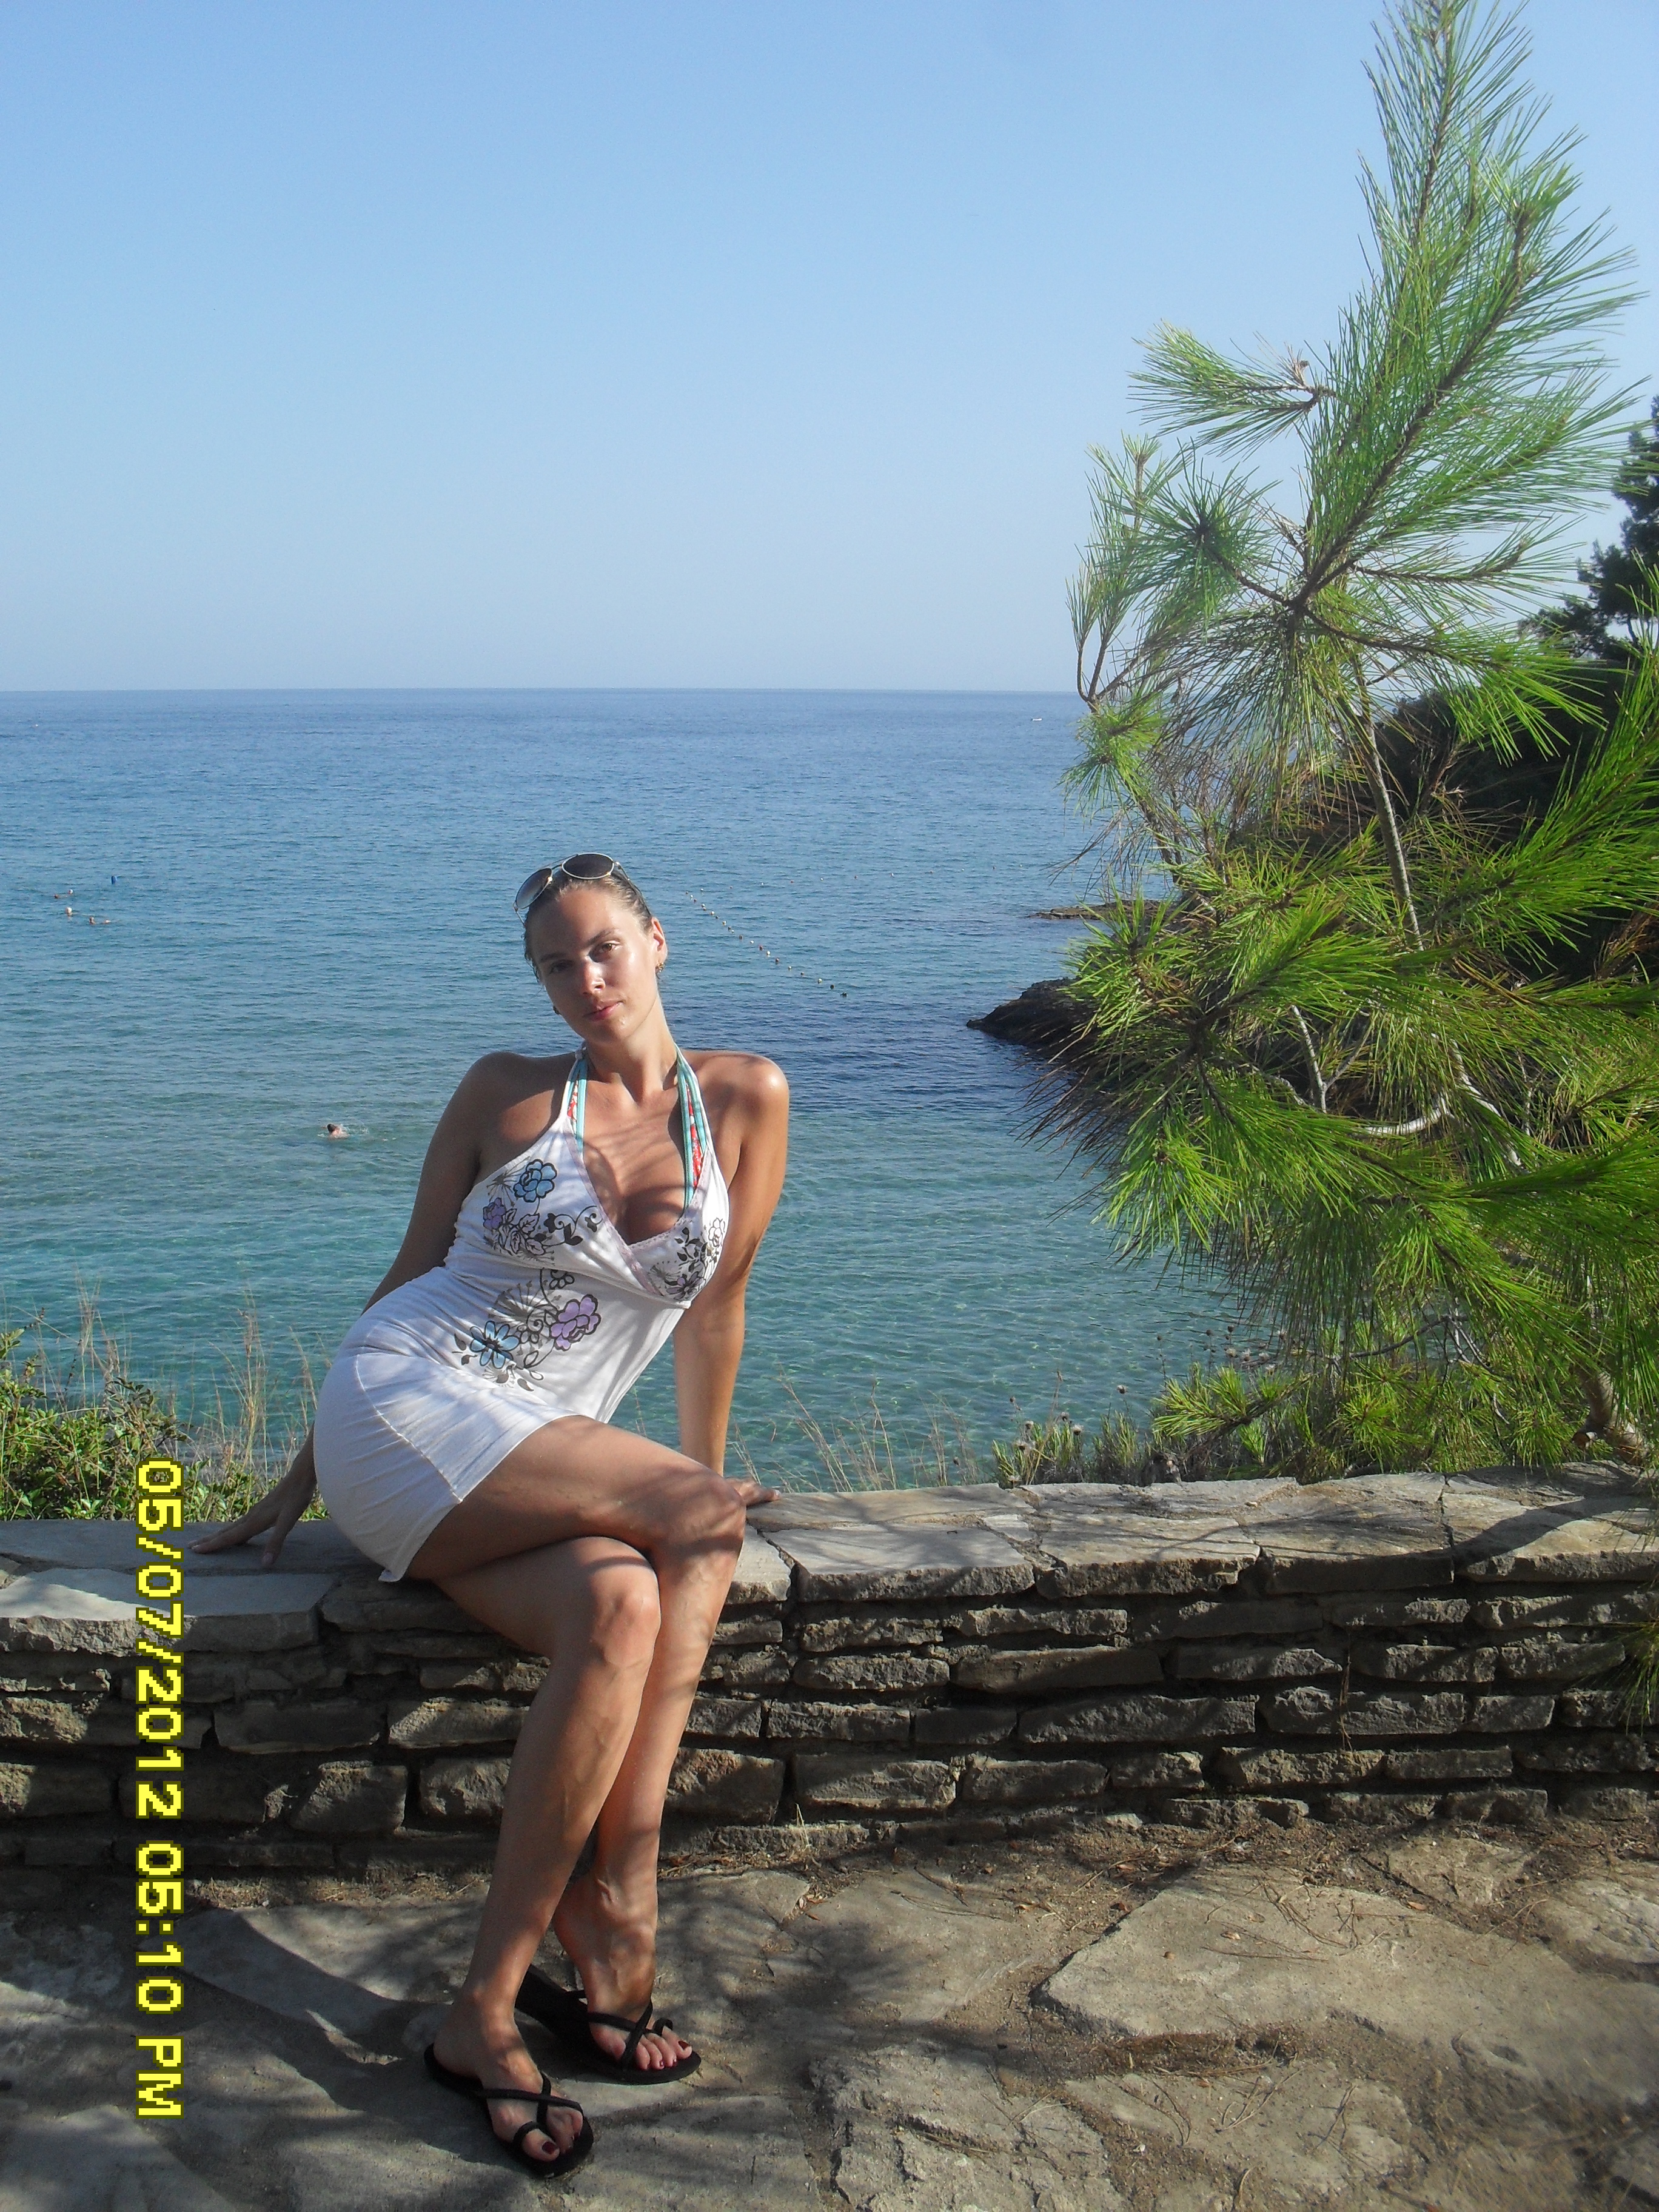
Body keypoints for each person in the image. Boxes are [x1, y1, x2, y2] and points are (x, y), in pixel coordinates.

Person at [193, 853, 788, 2177]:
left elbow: (719, 1308)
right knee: (688, 1528)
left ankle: (485, 2008)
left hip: (533, 1452)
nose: (584, 980)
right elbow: (408, 1270)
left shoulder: (746, 1099)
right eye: (555, 964)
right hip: (404, 1400)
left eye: (603, 948)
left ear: (657, 941)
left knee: (622, 1606)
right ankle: (622, 1894)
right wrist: (300, 1472)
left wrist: (703, 1475)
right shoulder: (503, 1093)